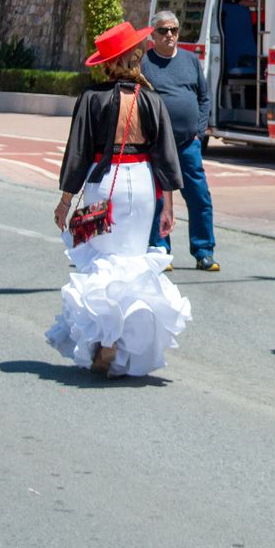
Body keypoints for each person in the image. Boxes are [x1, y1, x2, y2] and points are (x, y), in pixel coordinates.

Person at [49, 21, 190, 378]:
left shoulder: (91, 99)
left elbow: (78, 154)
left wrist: (66, 201)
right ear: (135, 57)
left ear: (109, 63)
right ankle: (124, 347)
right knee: (132, 261)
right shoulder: (151, 99)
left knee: (104, 261)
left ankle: (106, 341)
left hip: (104, 181)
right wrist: (169, 205)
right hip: (142, 184)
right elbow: (166, 156)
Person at [143, 10, 218, 272]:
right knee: (158, 198)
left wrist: (198, 131)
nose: (170, 35)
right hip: (157, 145)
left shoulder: (190, 60)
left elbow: (203, 97)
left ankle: (203, 251)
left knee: (199, 197)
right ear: (153, 35)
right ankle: (161, 249)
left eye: (174, 29)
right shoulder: (145, 64)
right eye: (163, 30)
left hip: (188, 143)